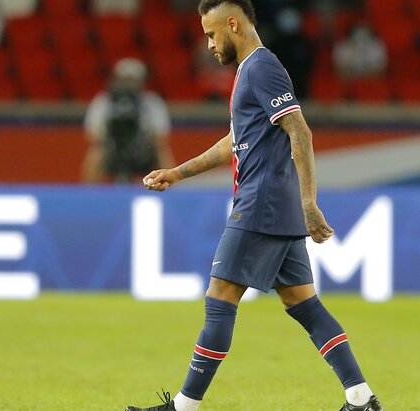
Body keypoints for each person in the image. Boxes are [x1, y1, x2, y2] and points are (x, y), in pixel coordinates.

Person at [127, 1, 382, 410]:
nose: (209, 44)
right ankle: (361, 397)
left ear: (233, 24)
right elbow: (234, 141)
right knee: (305, 305)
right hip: (276, 205)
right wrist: (178, 171)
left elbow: (299, 130)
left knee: (220, 297)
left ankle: (184, 406)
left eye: (212, 34)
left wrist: (310, 201)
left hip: (261, 202)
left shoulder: (261, 67)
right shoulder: (250, 71)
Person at [82, 58, 174, 183]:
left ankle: (168, 187)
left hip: (142, 150)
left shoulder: (152, 102)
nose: (128, 84)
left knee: (161, 151)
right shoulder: (104, 101)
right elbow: (92, 134)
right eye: (125, 79)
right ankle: (89, 192)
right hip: (113, 148)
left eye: (132, 80)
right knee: (96, 152)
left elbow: (161, 136)